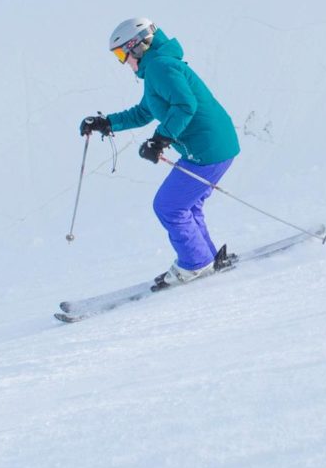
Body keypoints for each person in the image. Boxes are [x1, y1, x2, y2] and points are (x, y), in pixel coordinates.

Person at [80, 17, 241, 287]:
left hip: (208, 148)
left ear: (138, 46)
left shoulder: (159, 67)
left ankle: (196, 264)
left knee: (168, 205)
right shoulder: (159, 67)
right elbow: (145, 111)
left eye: (122, 54)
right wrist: (106, 123)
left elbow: (184, 105)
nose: (123, 62)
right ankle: (205, 257)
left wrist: (160, 139)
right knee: (186, 205)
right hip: (214, 146)